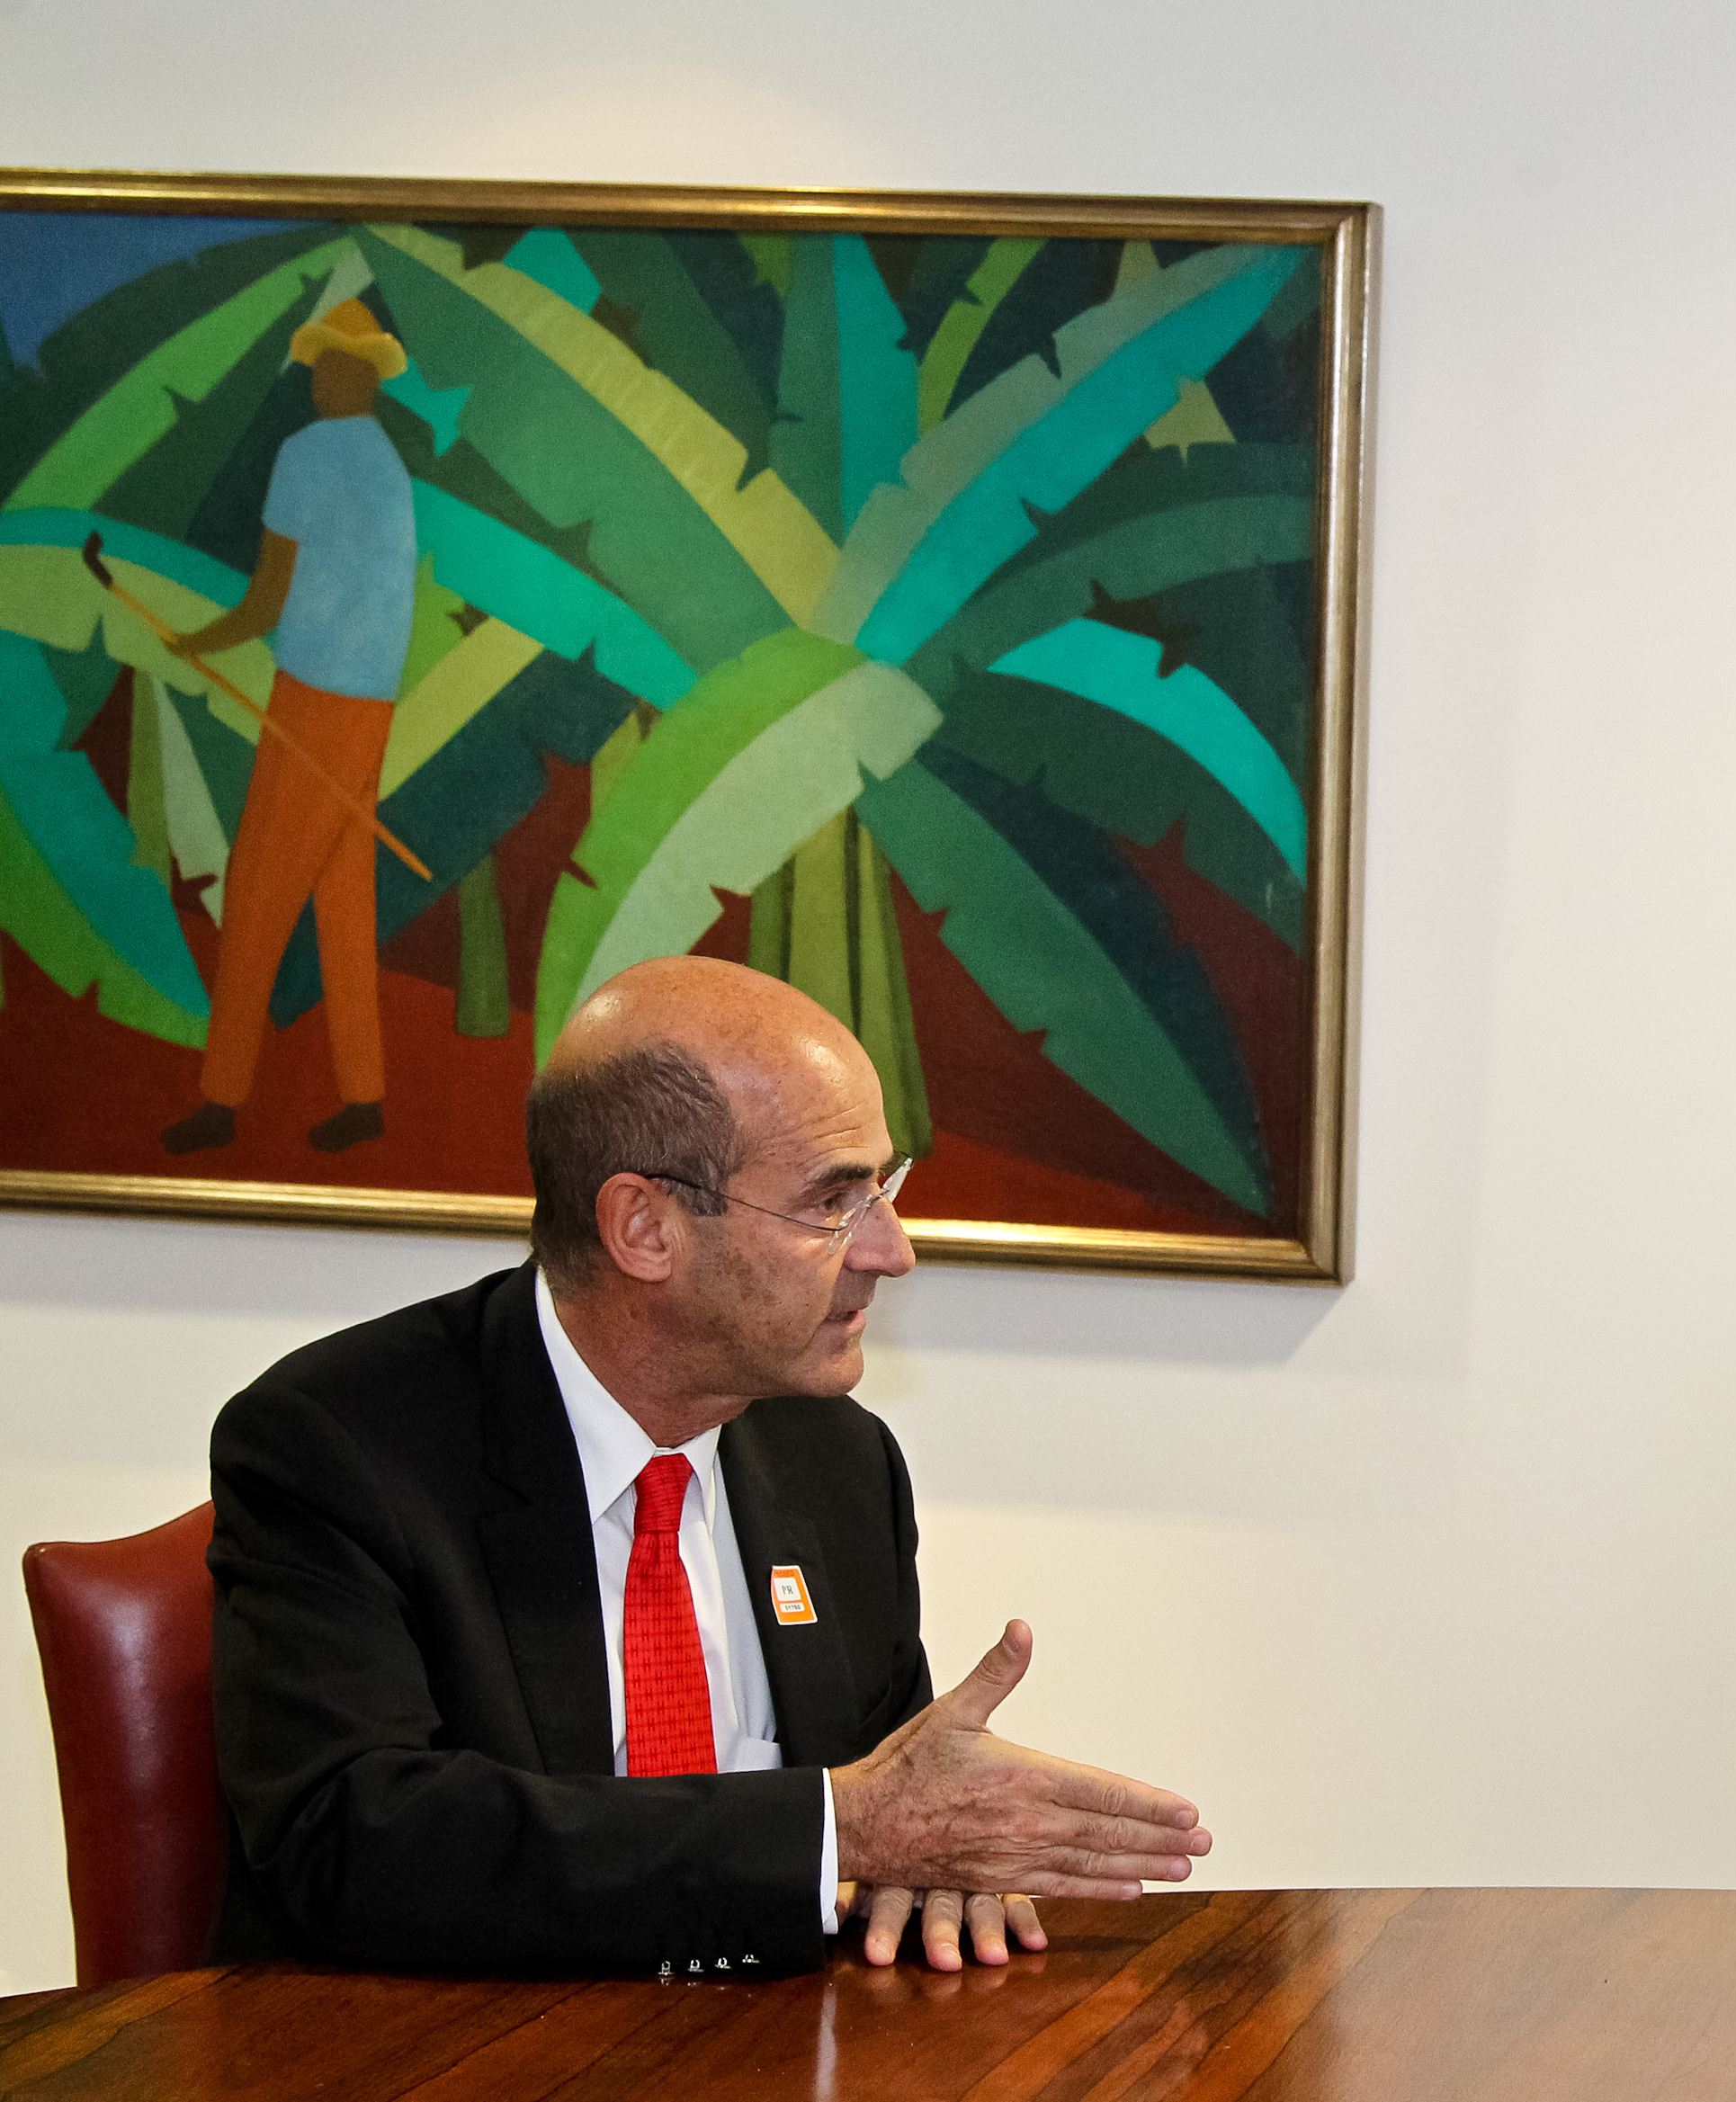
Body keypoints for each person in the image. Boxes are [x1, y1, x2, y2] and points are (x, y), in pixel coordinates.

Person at [208, 954, 1212, 1975]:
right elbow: (352, 1841)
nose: (891, 1249)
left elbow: (890, 1811)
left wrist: (940, 1857)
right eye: (833, 1201)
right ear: (644, 1227)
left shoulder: (837, 1459)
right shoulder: (337, 1443)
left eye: (885, 1187)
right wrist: (835, 1828)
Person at [160, 299, 416, 1158]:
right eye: (315, 366)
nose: (316, 380)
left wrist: (193, 639)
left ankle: (221, 1100)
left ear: (356, 375)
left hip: (313, 700)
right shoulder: (387, 465)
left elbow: (265, 600)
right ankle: (366, 1095)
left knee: (258, 896)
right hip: (369, 710)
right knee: (343, 905)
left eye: (328, 367)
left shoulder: (306, 455)